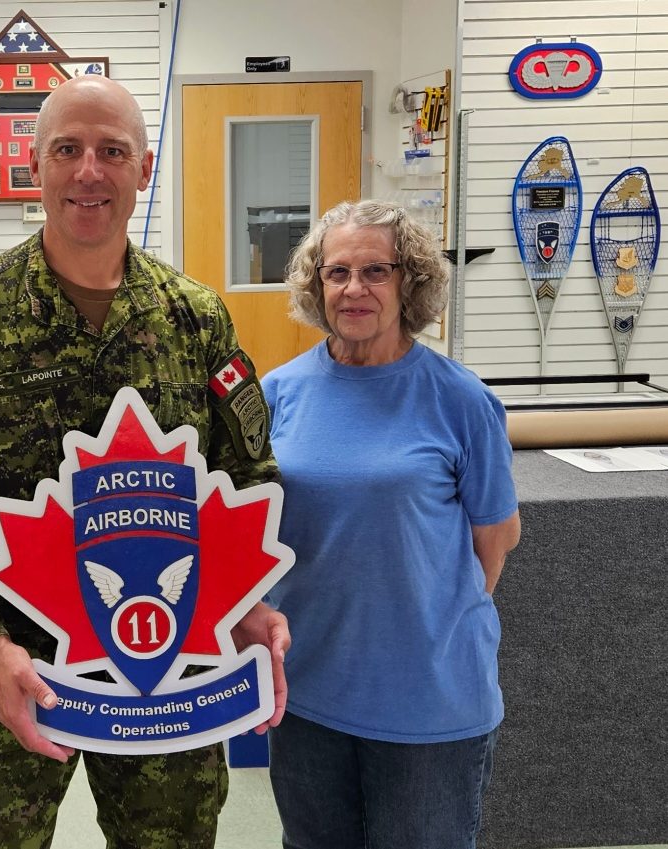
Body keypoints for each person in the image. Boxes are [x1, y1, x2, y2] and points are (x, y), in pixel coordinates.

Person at [0, 75, 291, 848]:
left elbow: (246, 480)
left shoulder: (193, 318)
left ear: (143, 167)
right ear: (36, 165)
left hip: (167, 671)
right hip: (7, 679)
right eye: (67, 149)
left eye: (111, 151)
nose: (88, 171)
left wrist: (245, 605)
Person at [261, 199, 521, 849]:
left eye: (375, 270)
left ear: (410, 281)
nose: (354, 288)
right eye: (336, 272)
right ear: (314, 284)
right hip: (307, 692)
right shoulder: (277, 392)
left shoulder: (459, 398)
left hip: (428, 701)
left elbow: (495, 538)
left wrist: (421, 621)